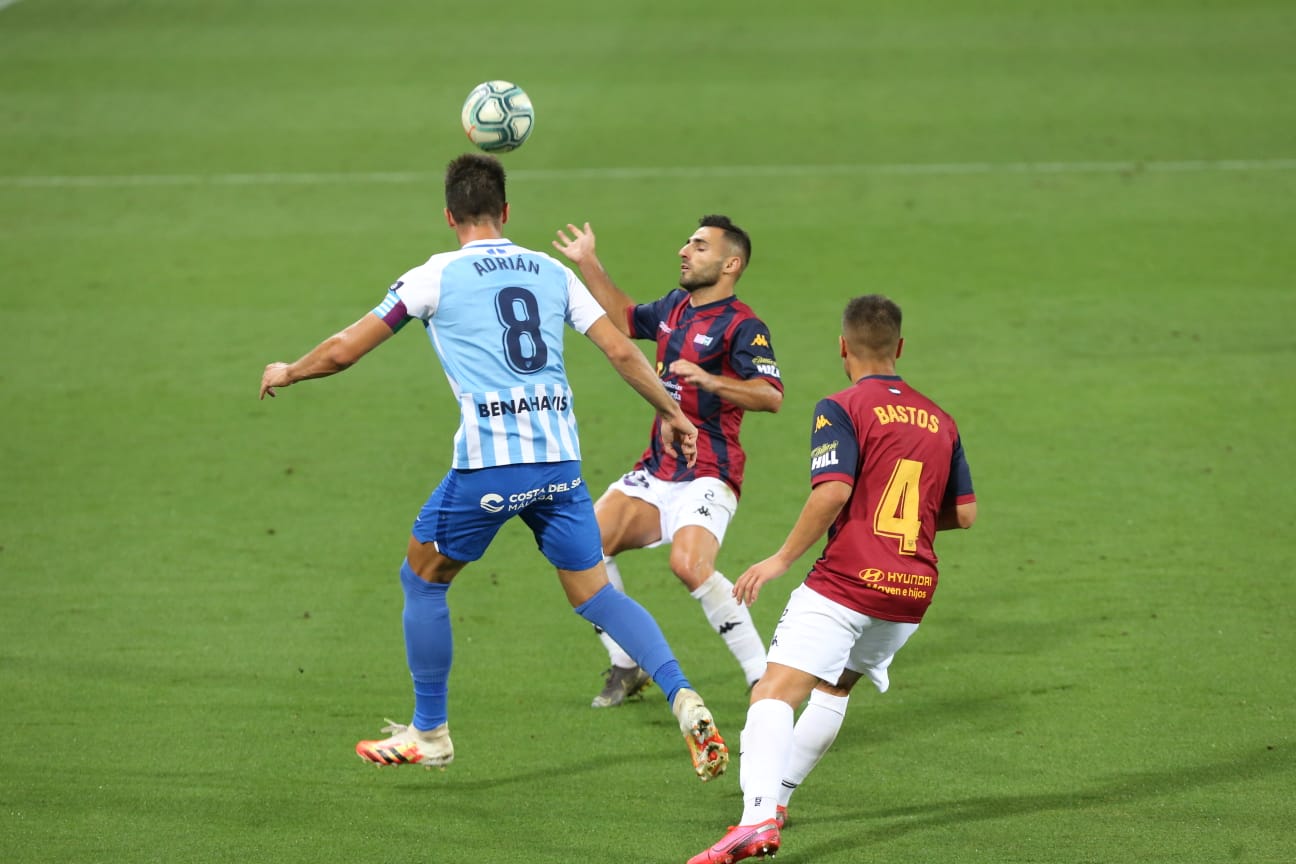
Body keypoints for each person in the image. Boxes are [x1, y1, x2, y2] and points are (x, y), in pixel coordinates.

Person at [259, 153, 728, 783]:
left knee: (422, 578)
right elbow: (620, 349)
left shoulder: (433, 276)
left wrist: (290, 369)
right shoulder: (551, 271)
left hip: (490, 467)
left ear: (449, 216)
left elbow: (345, 350)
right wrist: (672, 412)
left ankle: (430, 733)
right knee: (594, 594)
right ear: (506, 213)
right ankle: (683, 696)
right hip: (560, 464)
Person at [687, 295, 977, 863]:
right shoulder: (942, 419)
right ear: (900, 348)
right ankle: (780, 798)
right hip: (912, 591)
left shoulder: (841, 405)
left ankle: (754, 822)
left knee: (772, 693)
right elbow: (963, 513)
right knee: (834, 686)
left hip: (847, 581)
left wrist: (779, 559)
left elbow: (834, 490)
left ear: (843, 346)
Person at [552, 217, 783, 707]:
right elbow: (622, 316)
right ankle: (626, 663)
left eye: (699, 246)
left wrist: (711, 380)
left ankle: (763, 678)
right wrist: (589, 261)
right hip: (657, 471)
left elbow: (770, 395)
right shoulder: (675, 307)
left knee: (689, 565)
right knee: (582, 550)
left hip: (710, 472)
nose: (684, 250)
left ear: (730, 264)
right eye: (687, 242)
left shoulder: (744, 326)